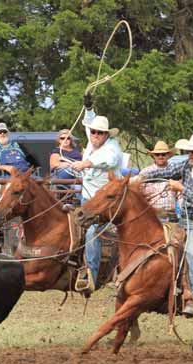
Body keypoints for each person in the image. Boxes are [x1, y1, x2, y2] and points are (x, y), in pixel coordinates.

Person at [134, 133, 193, 317]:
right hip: (184, 220)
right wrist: (143, 177)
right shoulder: (186, 165)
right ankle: (172, 288)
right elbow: (165, 172)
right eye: (189, 151)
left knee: (192, 252)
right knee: (165, 248)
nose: (191, 155)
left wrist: (182, 189)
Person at [72, 93, 123, 293]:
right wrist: (88, 107)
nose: (95, 136)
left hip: (107, 204)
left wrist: (86, 162)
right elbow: (88, 122)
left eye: (99, 133)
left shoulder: (112, 148)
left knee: (92, 232)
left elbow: (109, 161)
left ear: (106, 135)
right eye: (93, 132)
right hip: (88, 199)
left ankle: (91, 276)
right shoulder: (93, 137)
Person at [138, 141, 178, 222]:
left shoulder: (176, 171)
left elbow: (181, 195)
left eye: (163, 154)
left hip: (171, 215)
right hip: (152, 215)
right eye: (157, 154)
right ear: (153, 156)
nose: (160, 156)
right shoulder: (145, 172)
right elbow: (139, 196)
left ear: (168, 155)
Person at [50, 129, 82, 202]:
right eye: (62, 138)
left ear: (71, 140)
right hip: (63, 173)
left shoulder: (76, 151)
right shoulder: (56, 151)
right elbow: (53, 164)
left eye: (68, 138)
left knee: (78, 187)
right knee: (72, 169)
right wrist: (65, 164)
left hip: (78, 174)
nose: (65, 140)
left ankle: (83, 204)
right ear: (59, 140)